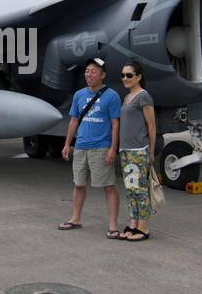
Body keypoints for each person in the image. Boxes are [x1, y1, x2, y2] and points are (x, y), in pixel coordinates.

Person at [60, 57, 122, 238]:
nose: (89, 75)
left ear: (102, 75)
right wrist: (67, 144)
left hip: (101, 148)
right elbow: (73, 121)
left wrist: (113, 148)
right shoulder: (79, 95)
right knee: (78, 184)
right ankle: (76, 218)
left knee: (108, 186)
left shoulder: (111, 96)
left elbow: (115, 124)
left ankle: (113, 225)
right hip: (81, 147)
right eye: (87, 71)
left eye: (93, 71)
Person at [118, 60, 156, 242]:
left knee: (140, 189)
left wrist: (152, 151)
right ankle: (133, 223)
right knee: (130, 189)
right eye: (123, 75)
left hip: (139, 150)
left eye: (129, 75)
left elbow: (152, 126)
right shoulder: (127, 97)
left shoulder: (143, 96)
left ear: (139, 76)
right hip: (125, 150)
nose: (125, 78)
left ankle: (144, 226)